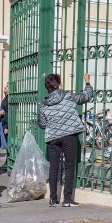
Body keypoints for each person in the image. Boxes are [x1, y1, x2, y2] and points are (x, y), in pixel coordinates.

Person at [37, 72, 93, 207]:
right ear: (59, 84)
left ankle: (53, 199)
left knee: (54, 167)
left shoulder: (44, 104)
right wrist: (87, 83)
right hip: (69, 135)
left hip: (53, 138)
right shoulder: (68, 95)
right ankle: (67, 199)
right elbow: (86, 97)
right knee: (69, 166)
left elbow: (42, 124)